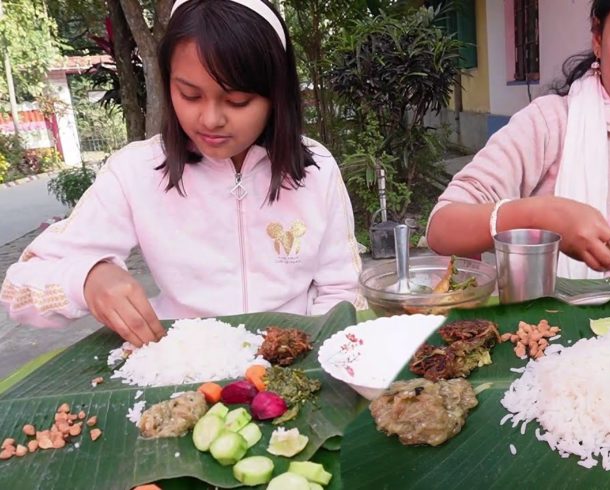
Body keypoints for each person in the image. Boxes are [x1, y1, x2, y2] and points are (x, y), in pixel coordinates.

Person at [0, 0, 365, 347]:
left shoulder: (315, 169)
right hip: (183, 376)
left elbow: (341, 290)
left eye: (238, 102)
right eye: (190, 95)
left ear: (277, 95)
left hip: (292, 368)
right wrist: (88, 279)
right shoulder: (136, 172)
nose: (210, 120)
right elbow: (19, 287)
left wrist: (315, 358)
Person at [426, 0, 610, 279]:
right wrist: (538, 218)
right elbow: (442, 228)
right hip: (547, 327)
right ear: (598, 36)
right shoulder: (548, 124)